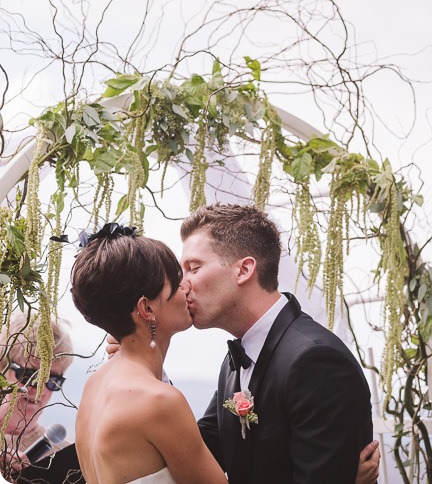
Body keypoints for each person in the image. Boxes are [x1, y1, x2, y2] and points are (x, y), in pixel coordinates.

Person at [108, 205, 380, 483]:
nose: (183, 285)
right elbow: (201, 451)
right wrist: (145, 368)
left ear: (244, 270)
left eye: (193, 268)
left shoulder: (316, 361)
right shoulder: (235, 361)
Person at [70, 224, 227, 484]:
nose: (187, 287)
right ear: (146, 308)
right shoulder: (158, 401)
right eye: (176, 284)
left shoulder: (93, 386)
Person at [0, 311, 73, 479]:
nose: (39, 390)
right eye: (29, 375)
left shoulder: (63, 456)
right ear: (3, 368)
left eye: (52, 380)